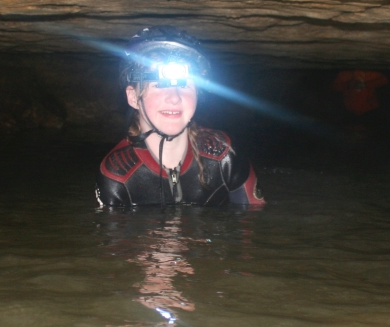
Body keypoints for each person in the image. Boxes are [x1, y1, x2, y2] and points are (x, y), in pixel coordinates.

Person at [96, 26, 265, 208]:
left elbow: (253, 228)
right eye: (159, 85)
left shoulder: (224, 154)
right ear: (133, 97)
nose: (175, 97)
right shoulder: (117, 174)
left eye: (184, 86)